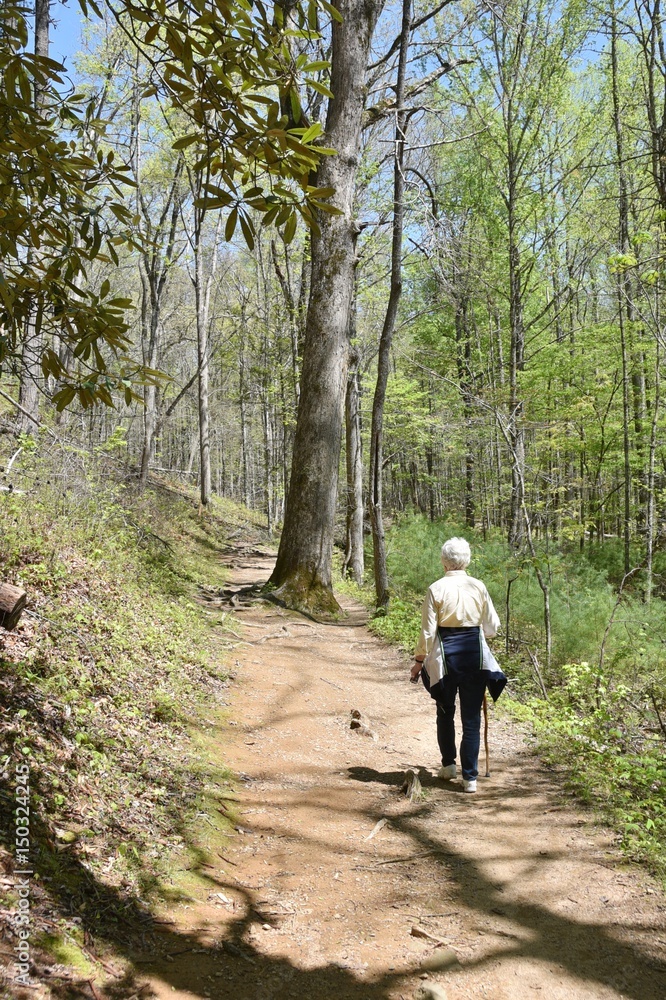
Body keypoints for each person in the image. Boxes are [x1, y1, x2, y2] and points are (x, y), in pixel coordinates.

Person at [410, 537, 500, 793]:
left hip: (445, 659)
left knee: (445, 711)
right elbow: (492, 627)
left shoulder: (436, 588)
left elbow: (428, 633)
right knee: (471, 719)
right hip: (475, 656)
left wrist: (418, 662)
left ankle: (448, 765)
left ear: (444, 561)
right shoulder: (478, 586)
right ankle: (470, 778)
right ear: (467, 560)